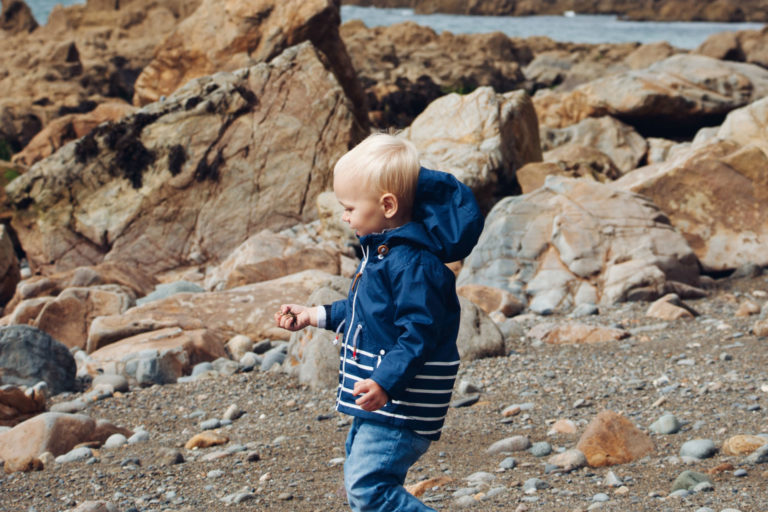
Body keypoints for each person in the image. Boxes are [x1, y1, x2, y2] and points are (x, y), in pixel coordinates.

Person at [274, 133, 483, 511]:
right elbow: (365, 313)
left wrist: (386, 382)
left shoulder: (412, 263)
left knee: (369, 488)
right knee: (363, 481)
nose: (344, 216)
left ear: (387, 204)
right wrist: (312, 316)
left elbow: (418, 334)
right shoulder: (384, 253)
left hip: (401, 401)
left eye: (350, 207)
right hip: (383, 398)